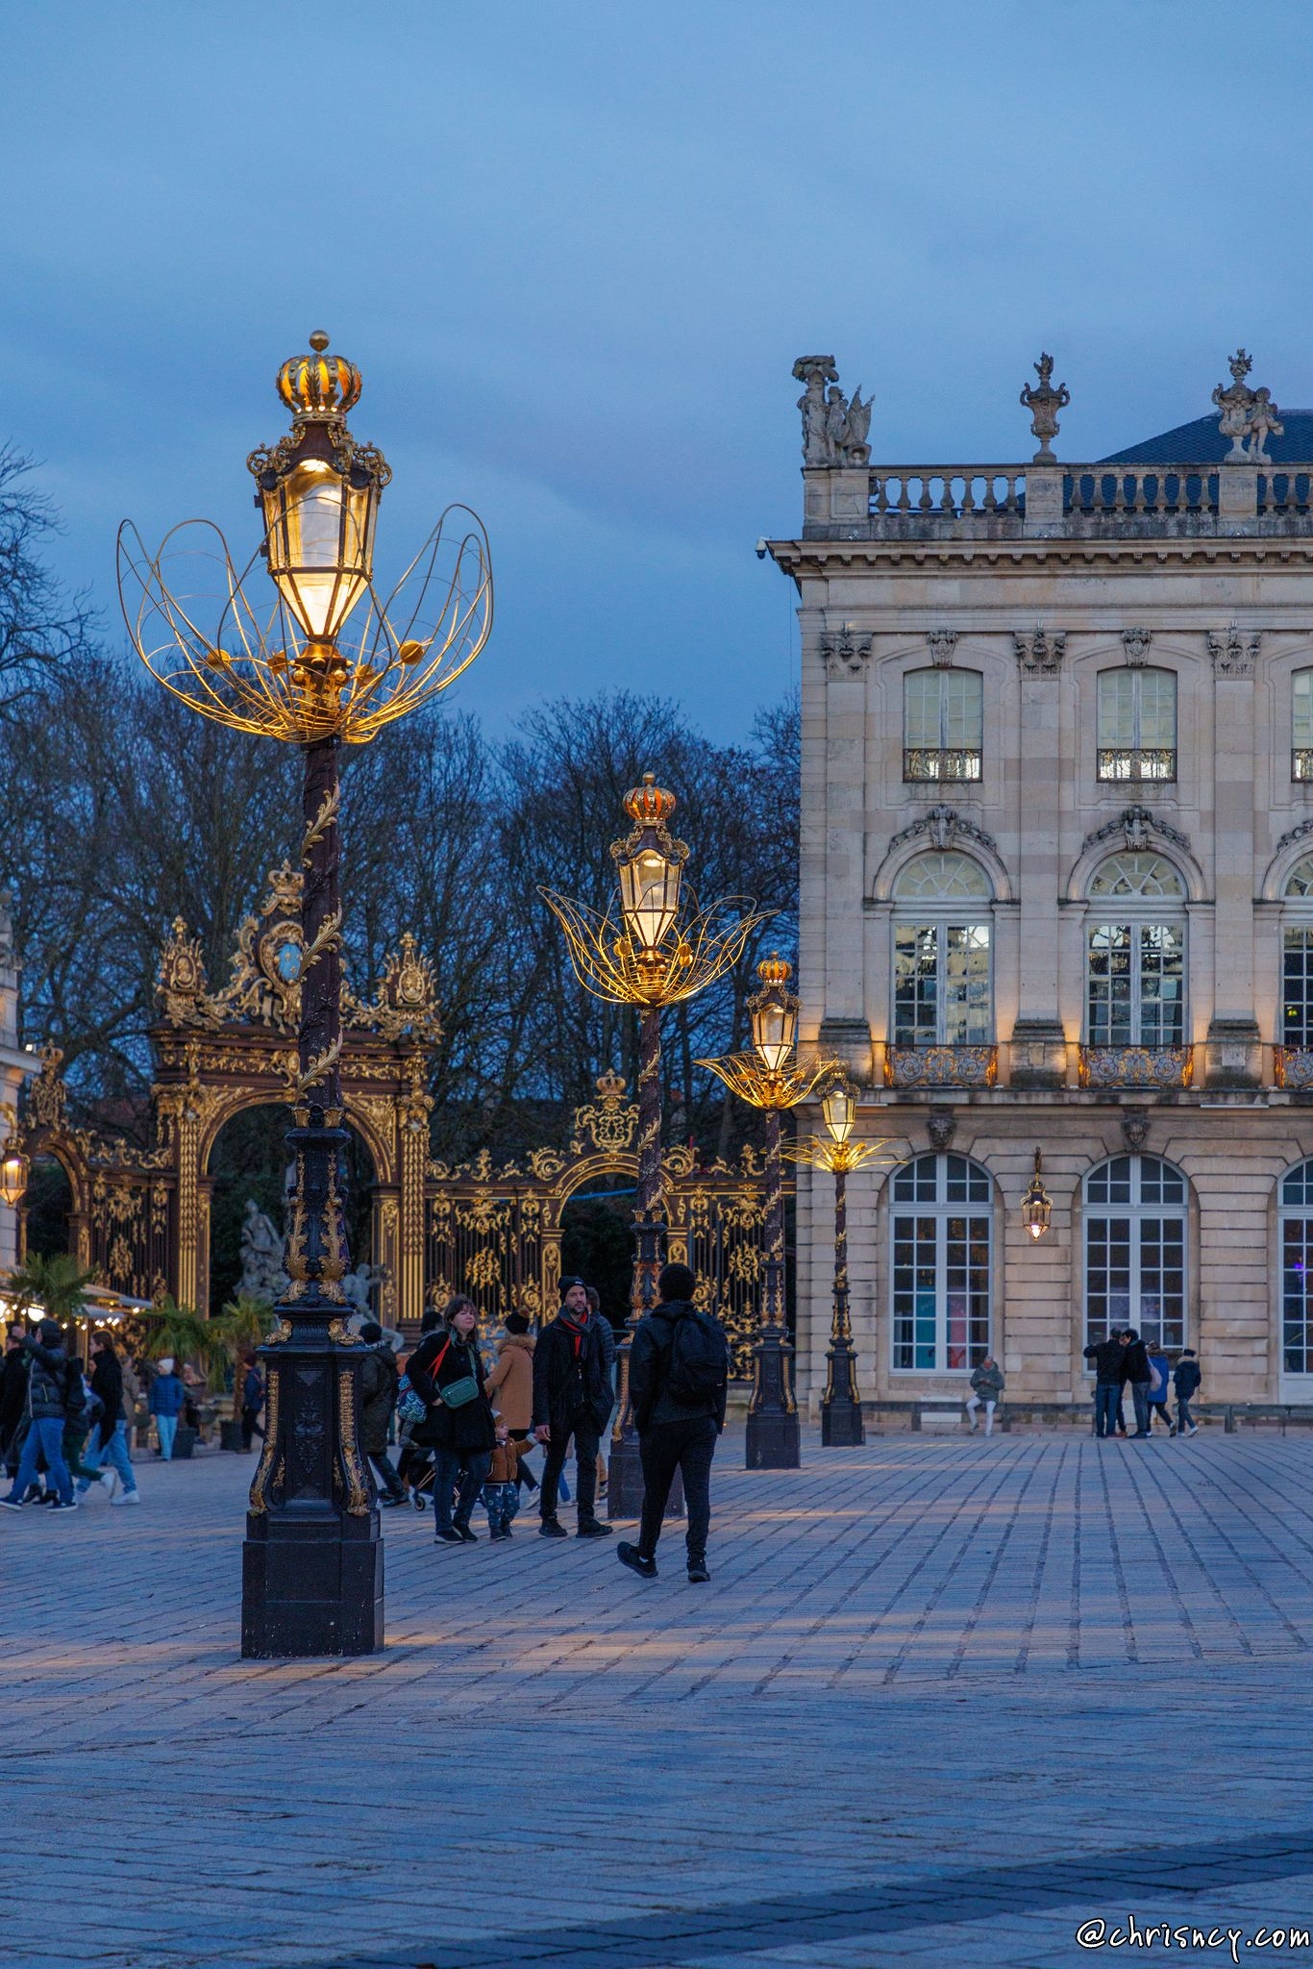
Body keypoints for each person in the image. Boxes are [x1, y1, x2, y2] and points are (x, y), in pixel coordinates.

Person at [618, 1261, 729, 1585]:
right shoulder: (708, 1324)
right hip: (701, 1421)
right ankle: (697, 1560)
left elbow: (640, 1381)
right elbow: (720, 1372)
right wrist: (714, 1417)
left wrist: (644, 1419)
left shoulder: (651, 1328)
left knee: (656, 1492)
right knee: (698, 1492)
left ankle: (646, 1554)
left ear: (661, 1291)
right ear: (693, 1291)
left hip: (663, 1421)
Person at [408, 1295, 496, 1545]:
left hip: (474, 1418)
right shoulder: (440, 1341)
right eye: (463, 1313)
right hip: (448, 1419)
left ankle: (461, 1521)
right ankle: (443, 1528)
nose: (470, 1316)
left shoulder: (471, 1345)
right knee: (448, 1472)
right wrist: (433, 1398)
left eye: (472, 1313)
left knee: (479, 1468)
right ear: (451, 1318)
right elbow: (414, 1366)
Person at [532, 1276, 614, 1540]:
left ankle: (586, 1519)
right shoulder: (551, 1333)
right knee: (555, 1461)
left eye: (581, 1294)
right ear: (564, 1299)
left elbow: (603, 1368)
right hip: (561, 1406)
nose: (579, 1299)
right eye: (573, 1295)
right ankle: (549, 1517)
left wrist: (603, 1399)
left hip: (588, 1405)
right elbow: (541, 1379)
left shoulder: (595, 1329)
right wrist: (542, 1417)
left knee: (588, 1460)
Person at [0, 1320, 76, 1511]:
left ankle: (67, 1497)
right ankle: (16, 1496)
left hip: (51, 1413)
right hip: (38, 1414)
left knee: (53, 1457)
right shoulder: (38, 1355)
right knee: (27, 1456)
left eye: (39, 1334)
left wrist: (24, 1338)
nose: (36, 1337)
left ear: (48, 1335)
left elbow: (47, 1358)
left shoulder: (57, 1354)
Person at [80, 1331, 140, 1505]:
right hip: (114, 1416)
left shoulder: (107, 1365)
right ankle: (131, 1489)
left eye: (91, 1344)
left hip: (109, 1417)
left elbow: (110, 1394)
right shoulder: (107, 1363)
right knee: (119, 1454)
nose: (89, 1347)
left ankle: (80, 1490)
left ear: (101, 1345)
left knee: (93, 1453)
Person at [358, 1320, 407, 1505]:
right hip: (381, 1410)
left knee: (374, 1453)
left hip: (370, 1412)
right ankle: (395, 1490)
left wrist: (353, 1399)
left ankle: (397, 1491)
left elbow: (367, 1386)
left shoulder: (371, 1358)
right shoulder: (385, 1356)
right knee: (374, 1453)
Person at [587, 1285, 617, 1499]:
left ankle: (596, 1489)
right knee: (593, 1441)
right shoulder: (603, 1324)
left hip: (595, 1392)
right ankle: (603, 1480)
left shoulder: (594, 1326)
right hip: (602, 1391)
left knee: (589, 1443)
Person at [481, 1422, 531, 1540]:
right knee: (495, 1508)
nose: (506, 1428)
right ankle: (495, 1529)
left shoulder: (510, 1443)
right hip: (493, 1484)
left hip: (509, 1483)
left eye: (506, 1426)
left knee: (513, 1505)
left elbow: (521, 1447)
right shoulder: (490, 1446)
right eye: (501, 1427)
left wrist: (532, 1441)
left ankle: (505, 1523)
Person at [1083, 1329, 1128, 1439]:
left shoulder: (1101, 1346)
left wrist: (1092, 1345)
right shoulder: (1122, 1350)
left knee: (1100, 1408)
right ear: (1120, 1337)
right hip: (1115, 1382)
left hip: (1102, 1381)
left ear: (1110, 1335)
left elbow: (1086, 1353)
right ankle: (1110, 1432)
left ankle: (1099, 1432)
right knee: (1112, 1409)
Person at [0, 1328, 28, 1480]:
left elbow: (10, 1391)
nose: (6, 1347)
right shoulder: (23, 1362)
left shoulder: (14, 1364)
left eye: (8, 1343)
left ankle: (25, 1483)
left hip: (14, 1412)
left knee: (16, 1448)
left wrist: (3, 1411)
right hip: (20, 1411)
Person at [149, 1355, 186, 1459]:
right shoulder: (157, 1382)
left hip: (171, 1411)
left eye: (161, 1367)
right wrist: (152, 1411)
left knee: (171, 1433)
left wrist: (176, 1406)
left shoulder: (175, 1382)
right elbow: (152, 1397)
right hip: (161, 1411)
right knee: (163, 1432)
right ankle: (167, 1453)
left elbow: (180, 1395)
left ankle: (167, 1452)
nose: (159, 1369)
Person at [1121, 1328, 1154, 1438]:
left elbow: (1133, 1366)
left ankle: (1141, 1430)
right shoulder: (1141, 1347)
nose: (1123, 1340)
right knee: (1144, 1405)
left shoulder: (1131, 1349)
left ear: (1129, 1337)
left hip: (1138, 1380)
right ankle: (1145, 1429)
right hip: (1146, 1379)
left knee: (1139, 1405)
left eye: (1124, 1338)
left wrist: (1128, 1375)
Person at [965, 1356, 1004, 1435]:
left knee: (989, 1412)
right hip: (980, 1395)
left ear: (991, 1364)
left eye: (988, 1364)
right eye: (985, 1364)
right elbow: (972, 1382)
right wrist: (979, 1380)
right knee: (969, 1405)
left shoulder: (996, 1373)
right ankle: (974, 1423)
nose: (986, 1366)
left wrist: (990, 1382)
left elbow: (1001, 1385)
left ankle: (988, 1431)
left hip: (991, 1396)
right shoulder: (978, 1371)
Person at [1145, 1340, 1175, 1435]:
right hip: (1161, 1390)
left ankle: (1148, 1430)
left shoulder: (1149, 1361)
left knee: (1147, 1411)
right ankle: (1170, 1423)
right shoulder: (1164, 1362)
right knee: (1161, 1410)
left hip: (1151, 1389)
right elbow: (1166, 1378)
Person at [240, 1355, 265, 1452]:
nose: (243, 1366)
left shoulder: (251, 1376)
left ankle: (266, 1437)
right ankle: (247, 1446)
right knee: (249, 1425)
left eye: (244, 1364)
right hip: (256, 1404)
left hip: (252, 1405)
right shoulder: (256, 1374)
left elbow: (250, 1391)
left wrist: (246, 1405)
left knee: (249, 1425)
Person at [1174, 1348, 1201, 1435]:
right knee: (1181, 1408)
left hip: (1181, 1389)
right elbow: (1198, 1380)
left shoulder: (1180, 1366)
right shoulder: (1195, 1366)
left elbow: (1176, 1379)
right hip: (1190, 1390)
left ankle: (1193, 1426)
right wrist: (1192, 1385)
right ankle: (1181, 1431)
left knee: (1183, 1409)